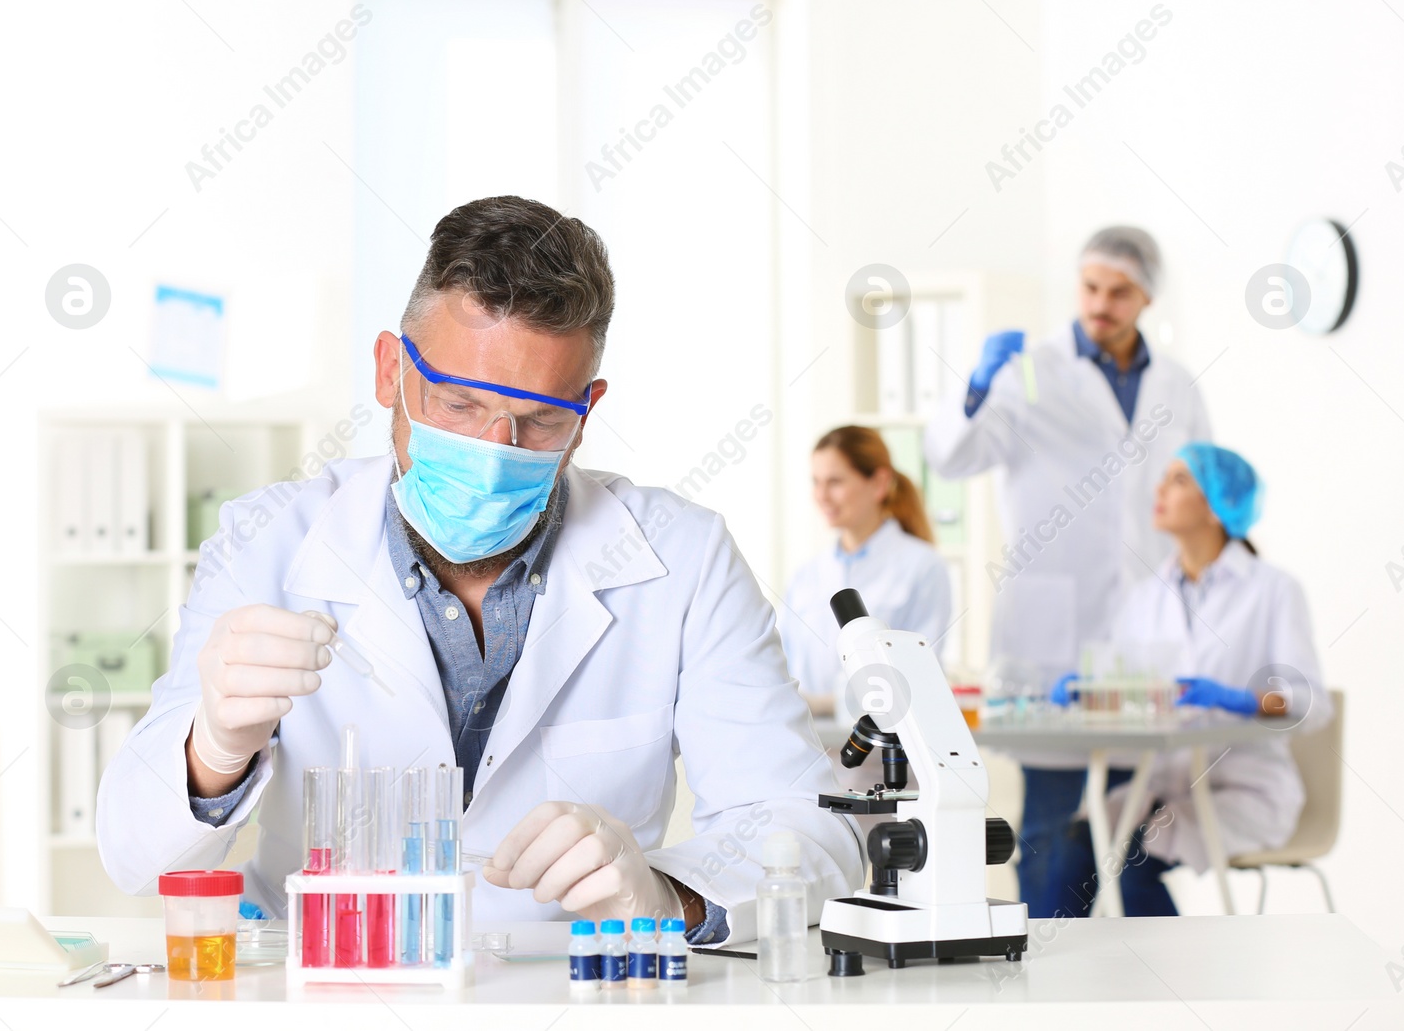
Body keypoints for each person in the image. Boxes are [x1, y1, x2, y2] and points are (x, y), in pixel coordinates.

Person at [96, 196, 862, 945]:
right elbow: (134, 855)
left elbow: (806, 828)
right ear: (390, 368)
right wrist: (213, 752)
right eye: (458, 403)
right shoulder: (267, 541)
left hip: (570, 993)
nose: (495, 453)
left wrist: (668, 895)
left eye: (539, 420)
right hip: (333, 991)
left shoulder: (682, 559)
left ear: (587, 410)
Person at [923, 226, 1211, 915]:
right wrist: (975, 386)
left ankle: (1139, 984)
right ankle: (1049, 977)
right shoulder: (1032, 371)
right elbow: (953, 458)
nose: (1101, 303)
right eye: (1090, 287)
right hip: (1048, 629)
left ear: (1145, 296)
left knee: (1136, 825)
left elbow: (1203, 488)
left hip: (1144, 627)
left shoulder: (1175, 384)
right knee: (1053, 821)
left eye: (1119, 291)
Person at [1041, 444, 1331, 916]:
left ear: (1218, 504)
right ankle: (1054, 986)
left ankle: (1177, 988)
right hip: (1162, 785)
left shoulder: (1273, 589)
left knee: (1132, 868)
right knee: (1071, 853)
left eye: (1179, 480)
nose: (1160, 489)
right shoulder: (1147, 595)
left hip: (1242, 789)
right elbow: (1126, 683)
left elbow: (1313, 702)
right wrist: (1087, 688)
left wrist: (1244, 700)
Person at [779, 426, 953, 719]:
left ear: (879, 483)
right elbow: (781, 665)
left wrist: (827, 704)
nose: (821, 495)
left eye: (834, 482)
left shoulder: (922, 566)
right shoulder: (807, 575)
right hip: (812, 750)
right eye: (816, 482)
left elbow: (920, 676)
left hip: (883, 756)